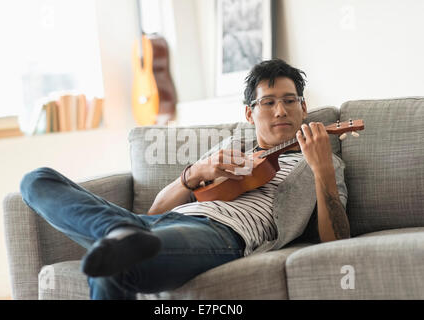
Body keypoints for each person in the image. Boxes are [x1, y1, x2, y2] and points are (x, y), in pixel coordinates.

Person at [20, 59, 350, 300]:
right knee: (36, 180)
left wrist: (322, 171)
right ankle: (119, 233)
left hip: (220, 234)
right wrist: (194, 175)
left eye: (289, 101)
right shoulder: (232, 148)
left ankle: (116, 236)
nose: (280, 111)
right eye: (269, 102)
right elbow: (153, 212)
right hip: (156, 224)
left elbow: (334, 242)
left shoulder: (322, 160)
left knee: (113, 262)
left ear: (303, 107)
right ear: (250, 113)